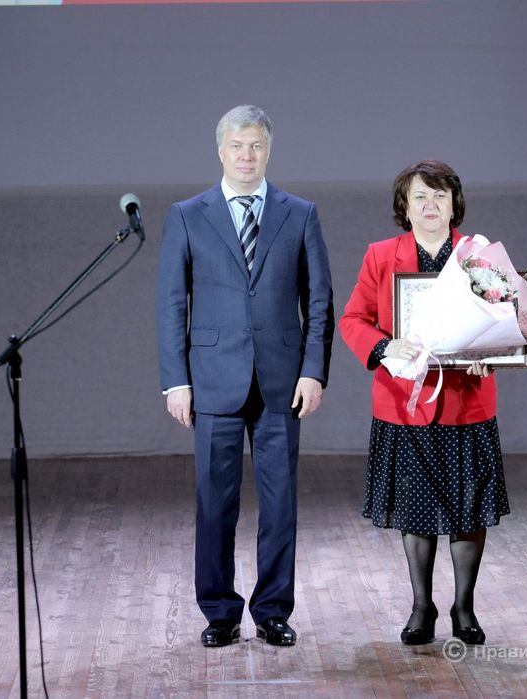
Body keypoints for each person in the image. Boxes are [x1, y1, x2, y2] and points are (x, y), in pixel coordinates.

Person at [155, 105, 334, 648]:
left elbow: (319, 301)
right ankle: (219, 612)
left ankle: (273, 610)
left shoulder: (300, 214)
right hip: (212, 380)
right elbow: (171, 304)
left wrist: (313, 371)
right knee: (215, 503)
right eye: (237, 146)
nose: (246, 155)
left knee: (280, 505)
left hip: (283, 381)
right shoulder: (188, 215)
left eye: (256, 145)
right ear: (220, 151)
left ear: (268, 150)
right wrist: (176, 380)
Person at [339, 160, 509, 646]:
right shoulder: (380, 255)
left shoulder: (479, 256)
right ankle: (421, 606)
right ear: (405, 206)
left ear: (454, 205)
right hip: (404, 404)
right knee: (415, 509)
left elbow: (506, 322)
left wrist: (489, 357)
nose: (430, 205)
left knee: (469, 508)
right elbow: (353, 319)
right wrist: (385, 346)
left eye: (440, 196)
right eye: (420, 196)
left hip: (466, 402)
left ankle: (464, 607)